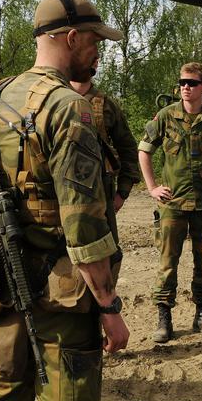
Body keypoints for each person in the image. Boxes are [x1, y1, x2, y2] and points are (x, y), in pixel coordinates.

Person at [0, 0, 130, 401]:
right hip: (60, 297)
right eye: (95, 40)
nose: (99, 50)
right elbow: (84, 225)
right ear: (72, 37)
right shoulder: (67, 108)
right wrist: (109, 305)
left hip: (0, 280)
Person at [138, 62, 202, 343]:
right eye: (182, 82)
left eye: (191, 83)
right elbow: (144, 151)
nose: (185, 87)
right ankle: (164, 318)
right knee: (168, 262)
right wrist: (152, 187)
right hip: (173, 205)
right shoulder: (165, 118)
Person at [69, 57, 141, 274]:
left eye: (93, 60)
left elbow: (128, 149)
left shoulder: (105, 104)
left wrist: (123, 192)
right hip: (58, 195)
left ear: (96, 64)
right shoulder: (54, 100)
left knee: (105, 258)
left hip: (99, 195)